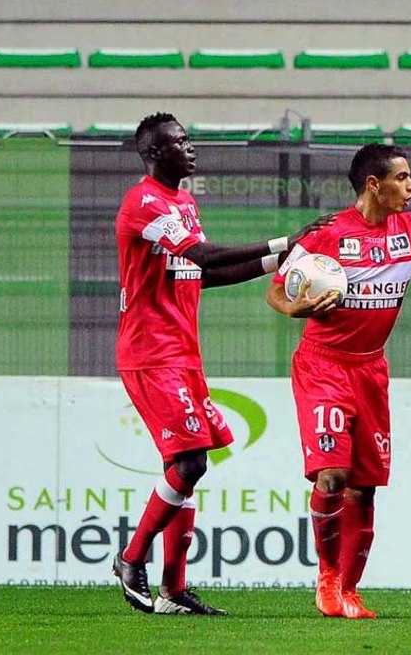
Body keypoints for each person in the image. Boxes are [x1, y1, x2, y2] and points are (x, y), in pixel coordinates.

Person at [112, 112, 331, 615]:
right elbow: (205, 257)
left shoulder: (184, 203)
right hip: (150, 353)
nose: (190, 148)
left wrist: (279, 260)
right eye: (178, 142)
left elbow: (198, 275)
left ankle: (173, 590)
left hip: (183, 354)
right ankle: (130, 558)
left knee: (186, 466)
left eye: (188, 139)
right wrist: (282, 243)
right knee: (189, 461)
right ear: (153, 154)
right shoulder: (143, 202)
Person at [266, 143, 411, 619]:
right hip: (324, 364)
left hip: (371, 368)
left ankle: (350, 588)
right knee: (333, 474)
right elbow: (276, 291)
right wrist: (295, 307)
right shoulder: (329, 234)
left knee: (364, 487)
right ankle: (328, 579)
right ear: (375, 184)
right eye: (403, 178)